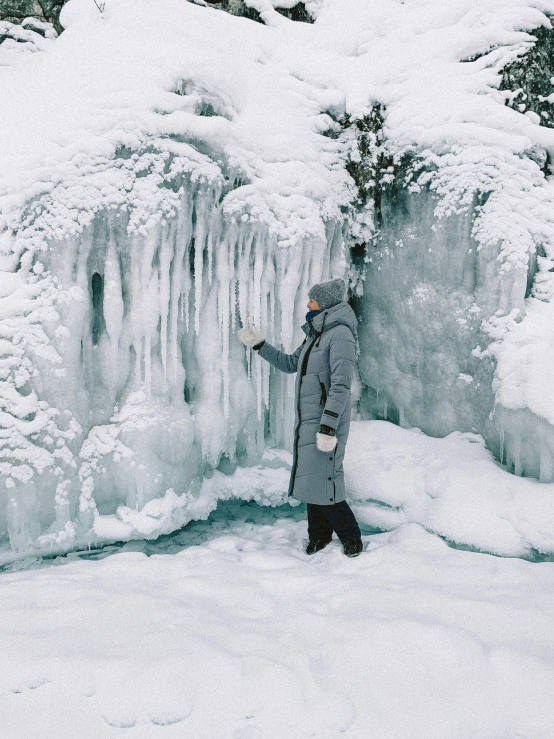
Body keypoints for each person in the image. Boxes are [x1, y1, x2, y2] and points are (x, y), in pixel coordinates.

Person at [238, 278, 363, 557]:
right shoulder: (315, 334)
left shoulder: (340, 334)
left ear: (326, 303)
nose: (308, 304)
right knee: (311, 480)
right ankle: (319, 537)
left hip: (326, 423)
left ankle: (352, 538)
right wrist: (259, 345)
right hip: (309, 421)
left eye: (313, 300)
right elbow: (291, 363)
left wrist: (328, 426)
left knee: (326, 478)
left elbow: (341, 385)